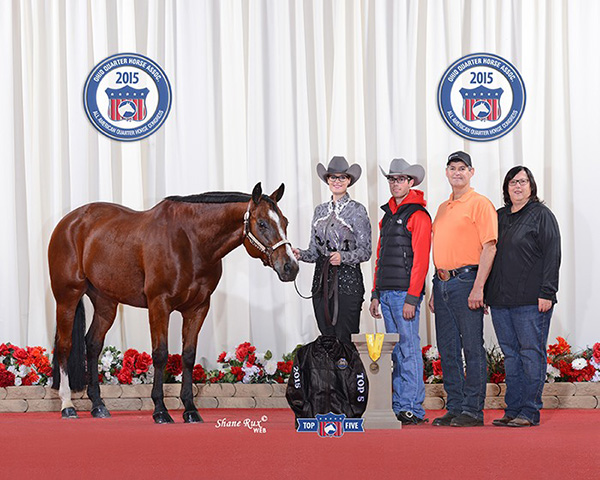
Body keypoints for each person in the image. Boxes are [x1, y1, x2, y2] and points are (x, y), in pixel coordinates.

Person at [486, 166, 561, 427]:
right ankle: (513, 408)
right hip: (500, 300)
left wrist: (547, 292)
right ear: (506, 187)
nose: (517, 186)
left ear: (531, 186)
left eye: (523, 182)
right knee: (511, 355)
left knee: (531, 353)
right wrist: (485, 292)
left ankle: (530, 411)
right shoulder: (499, 216)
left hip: (532, 300)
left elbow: (553, 255)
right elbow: (488, 255)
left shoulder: (541, 215)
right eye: (512, 182)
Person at [429, 151, 497, 427]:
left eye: (462, 168)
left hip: (467, 281)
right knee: (447, 348)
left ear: (471, 172)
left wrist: (479, 286)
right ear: (446, 172)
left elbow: (490, 247)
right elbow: (442, 248)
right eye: (452, 168)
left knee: (471, 347)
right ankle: (455, 406)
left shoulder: (480, 204)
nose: (457, 172)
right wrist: (436, 286)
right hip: (442, 281)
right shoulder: (443, 207)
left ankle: (473, 409)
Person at [369, 158, 431, 425]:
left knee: (408, 349)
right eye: (392, 179)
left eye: (401, 179)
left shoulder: (418, 215)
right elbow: (380, 255)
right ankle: (399, 403)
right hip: (386, 293)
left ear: (411, 182)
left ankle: (412, 407)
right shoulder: (388, 216)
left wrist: (412, 297)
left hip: (404, 294)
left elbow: (421, 260)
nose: (396, 183)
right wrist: (374, 293)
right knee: (395, 352)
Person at [293, 156, 371, 344]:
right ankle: (328, 373)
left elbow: (366, 250)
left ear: (348, 181)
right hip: (321, 281)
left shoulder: (357, 210)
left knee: (345, 336)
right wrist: (300, 254)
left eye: (342, 177)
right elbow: (314, 251)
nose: (337, 181)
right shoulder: (320, 211)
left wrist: (343, 257)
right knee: (327, 336)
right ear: (327, 180)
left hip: (347, 282)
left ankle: (348, 373)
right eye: (333, 177)